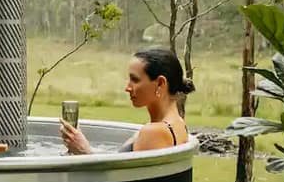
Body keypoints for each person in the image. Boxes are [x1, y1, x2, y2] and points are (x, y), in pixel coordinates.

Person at [61, 48, 193, 154]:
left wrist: (84, 151)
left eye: (135, 80)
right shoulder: (178, 123)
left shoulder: (153, 132)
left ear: (160, 84)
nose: (127, 88)